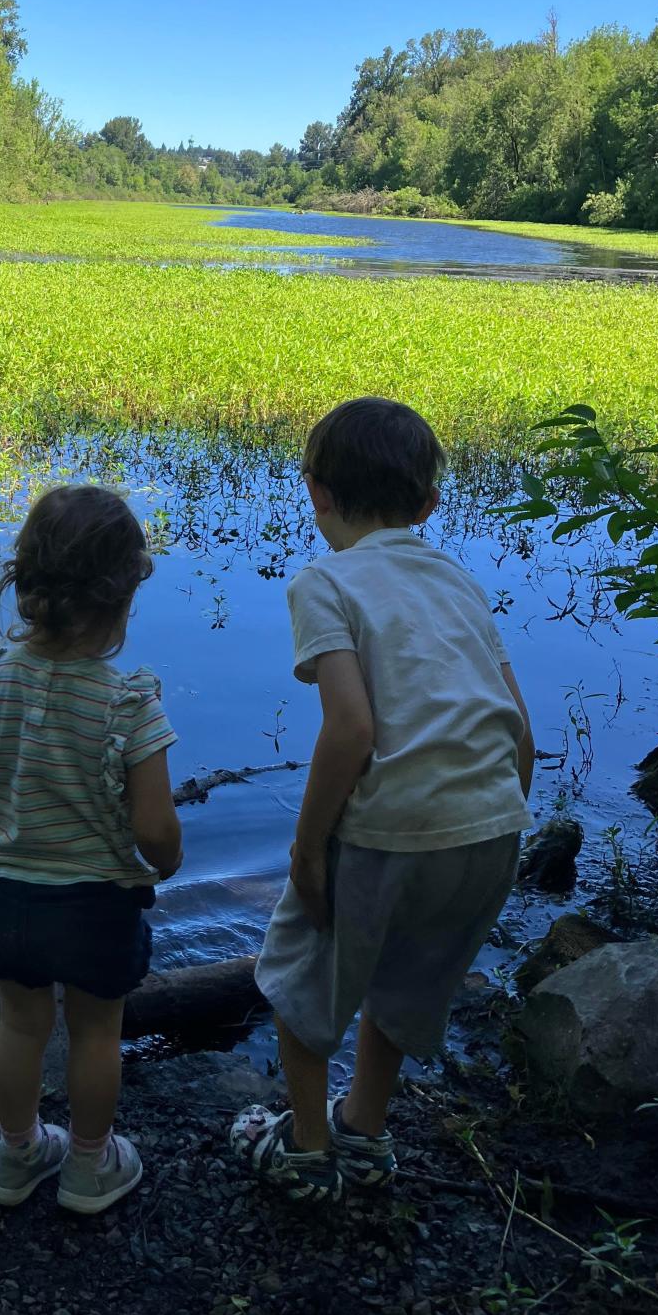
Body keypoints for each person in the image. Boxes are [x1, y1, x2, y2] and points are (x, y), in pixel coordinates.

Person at [231, 396, 535, 1203]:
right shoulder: (460, 582)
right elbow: (523, 735)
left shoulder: (325, 582)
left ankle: (305, 1149)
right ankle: (365, 1133)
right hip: (493, 826)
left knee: (300, 982)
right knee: (403, 986)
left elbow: (353, 730)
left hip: (385, 833)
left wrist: (306, 852)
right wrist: (486, 822)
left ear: (315, 492)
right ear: (430, 506)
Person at [0, 484, 182, 1215]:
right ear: (123, 594)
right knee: (97, 1032)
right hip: (97, 902)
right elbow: (154, 829)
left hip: (9, 895)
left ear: (25, 582)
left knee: (20, 1023)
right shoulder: (130, 699)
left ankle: (15, 1155)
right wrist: (165, 864)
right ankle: (87, 1166)